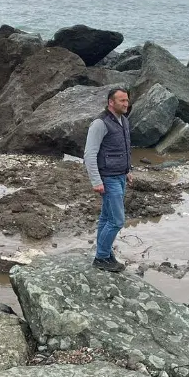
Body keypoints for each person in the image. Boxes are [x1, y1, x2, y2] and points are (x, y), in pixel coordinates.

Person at [83, 87, 133, 272]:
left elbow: (124, 149)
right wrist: (96, 181)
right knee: (117, 221)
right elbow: (89, 154)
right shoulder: (100, 123)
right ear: (111, 102)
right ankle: (101, 257)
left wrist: (128, 170)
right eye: (122, 101)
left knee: (106, 217)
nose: (126, 104)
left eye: (127, 100)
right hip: (108, 178)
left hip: (120, 176)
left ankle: (104, 252)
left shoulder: (124, 121)